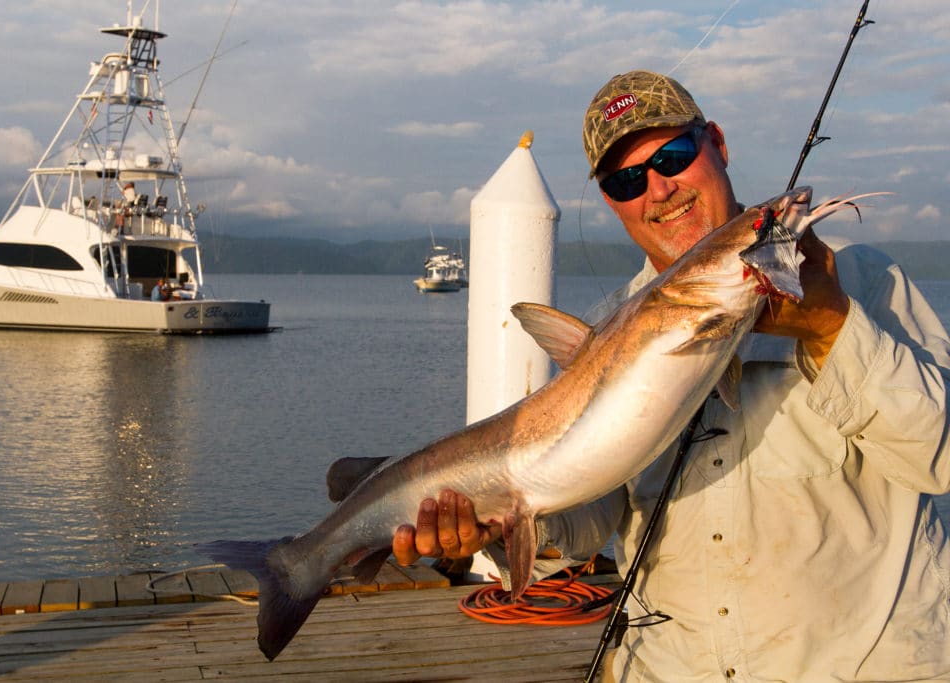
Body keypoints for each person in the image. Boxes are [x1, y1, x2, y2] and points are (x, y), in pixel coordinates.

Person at [392, 70, 950, 681]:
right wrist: (497, 519)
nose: (658, 188)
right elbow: (589, 519)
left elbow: (940, 457)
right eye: (627, 179)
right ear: (612, 200)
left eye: (673, 155)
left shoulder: (862, 281)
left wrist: (831, 328)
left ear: (717, 143)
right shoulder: (605, 330)